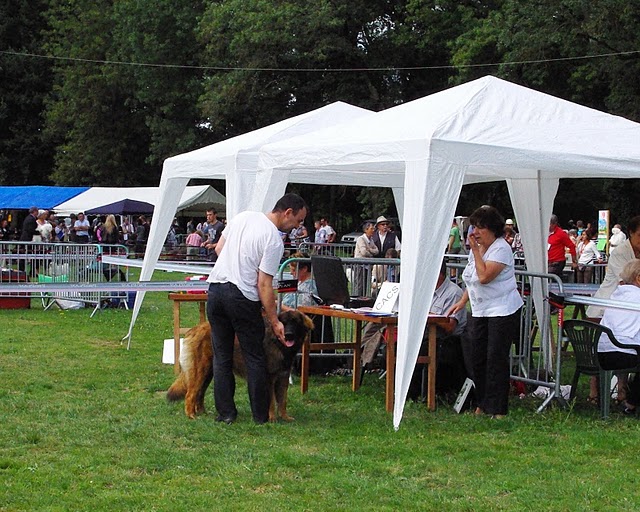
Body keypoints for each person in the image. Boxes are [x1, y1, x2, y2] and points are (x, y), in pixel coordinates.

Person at [206, 193, 308, 424]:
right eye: (298, 221)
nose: (297, 226)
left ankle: (226, 414)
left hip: (215, 290)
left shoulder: (242, 217)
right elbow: (264, 284)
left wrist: (237, 264)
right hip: (241, 297)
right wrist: (275, 321)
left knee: (222, 357)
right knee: (255, 357)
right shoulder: (273, 239)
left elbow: (219, 249)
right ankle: (261, 416)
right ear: (287, 212)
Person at [447, 206, 523, 418]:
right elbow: (471, 279)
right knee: (477, 357)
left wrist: (477, 252)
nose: (476, 232)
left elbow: (484, 276)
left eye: (480, 228)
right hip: (480, 310)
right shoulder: (476, 248)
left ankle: (498, 408)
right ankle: (482, 403)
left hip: (502, 310)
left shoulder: (501, 249)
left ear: (492, 229)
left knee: (495, 358)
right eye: (474, 227)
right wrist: (462, 301)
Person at [597, 259, 640, 415]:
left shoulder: (616, 296)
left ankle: (631, 402)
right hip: (623, 353)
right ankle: (632, 402)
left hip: (602, 353)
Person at [587, 216, 640, 319]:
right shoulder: (619, 253)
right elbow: (627, 282)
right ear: (631, 233)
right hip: (607, 307)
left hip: (629, 308)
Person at [548, 214, 577, 281]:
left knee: (549, 276)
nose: (548, 226)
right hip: (548, 261)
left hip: (557, 262)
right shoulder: (545, 232)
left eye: (550, 224)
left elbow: (571, 246)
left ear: (555, 224)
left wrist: (574, 261)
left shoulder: (561, 234)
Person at [352, 221, 379, 296]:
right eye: (371, 228)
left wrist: (369, 249)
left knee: (365, 285)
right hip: (360, 265)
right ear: (366, 230)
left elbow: (377, 251)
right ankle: (357, 300)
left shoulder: (371, 240)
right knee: (359, 285)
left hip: (367, 265)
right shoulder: (361, 239)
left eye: (373, 228)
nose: (373, 230)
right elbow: (363, 252)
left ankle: (362, 300)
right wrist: (371, 252)